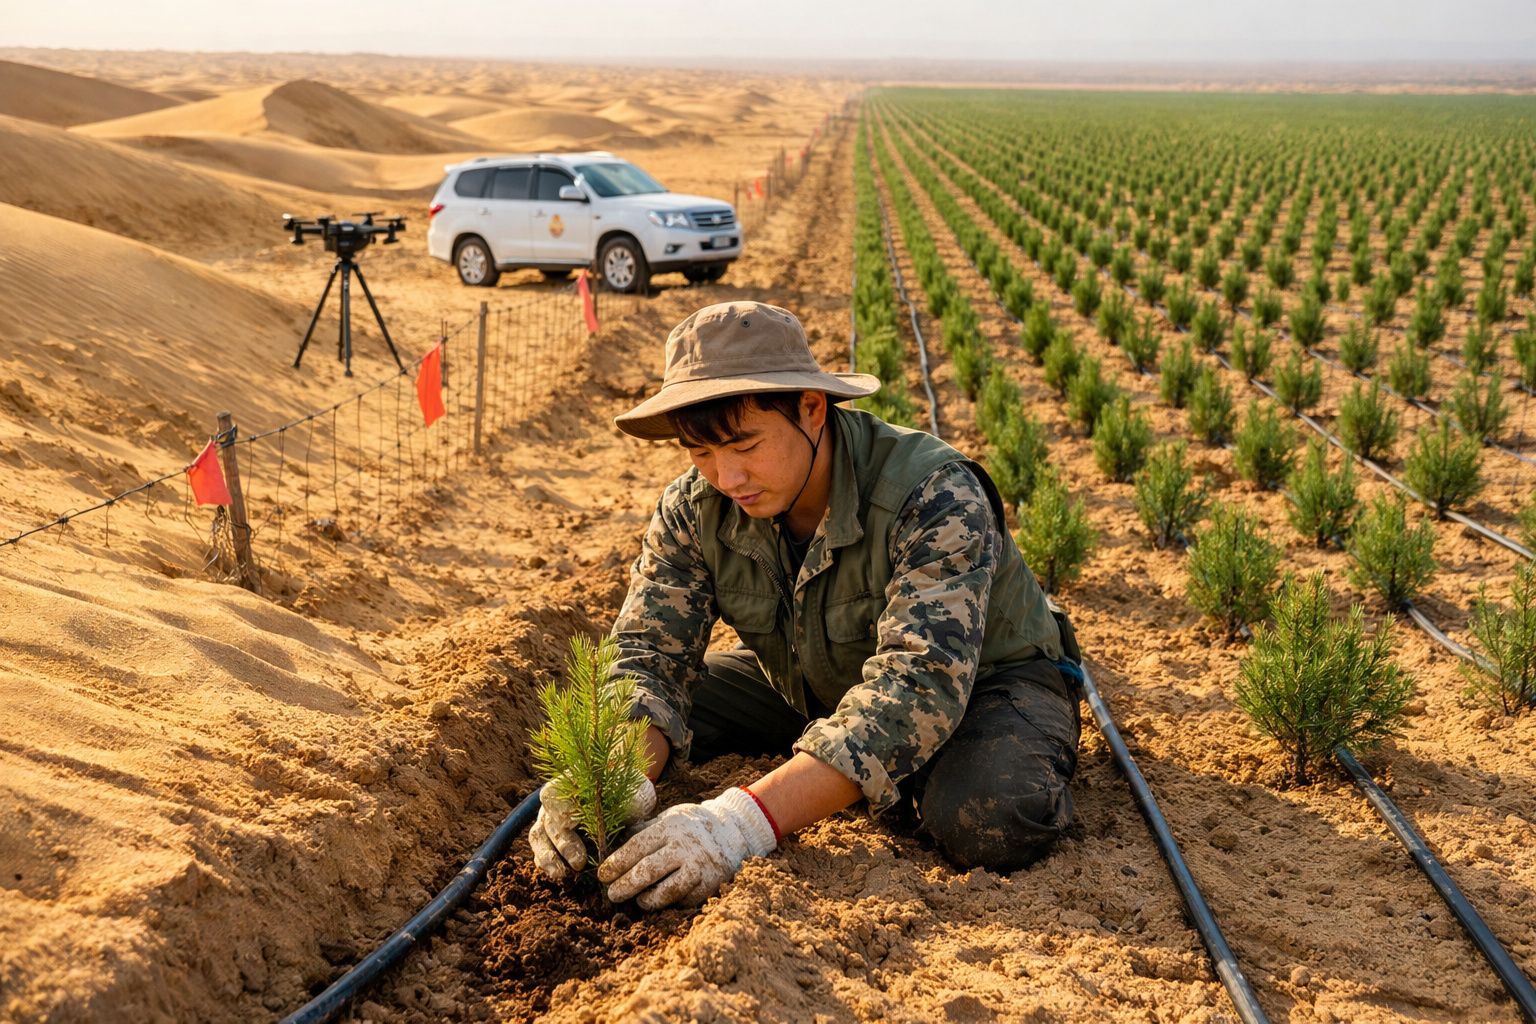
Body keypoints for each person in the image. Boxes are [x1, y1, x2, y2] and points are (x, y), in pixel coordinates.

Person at [529, 300, 1082, 910]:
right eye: (701, 454)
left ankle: (900, 766)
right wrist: (614, 777)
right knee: (664, 708)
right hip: (815, 680)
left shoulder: (933, 492)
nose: (727, 476)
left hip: (985, 681)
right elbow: (650, 655)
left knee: (989, 815)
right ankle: (837, 761)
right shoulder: (694, 508)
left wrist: (739, 822)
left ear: (811, 409)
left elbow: (918, 684)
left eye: (744, 445)